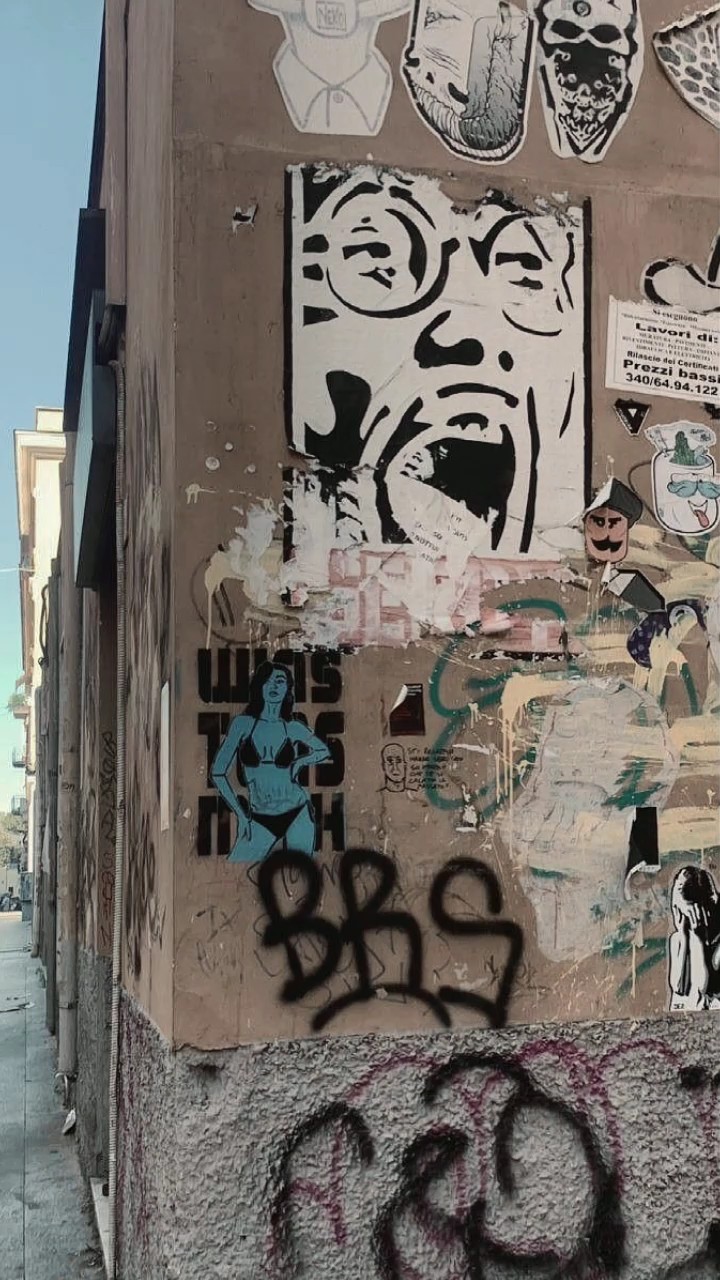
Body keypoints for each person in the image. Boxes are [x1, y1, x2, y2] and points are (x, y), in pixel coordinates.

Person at [211, 661, 331, 863]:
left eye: (280, 681)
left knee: (300, 874)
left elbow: (323, 750)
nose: (273, 685)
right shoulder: (243, 724)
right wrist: (241, 815)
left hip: (297, 812)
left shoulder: (292, 727)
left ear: (287, 689)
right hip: (260, 816)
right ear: (260, 686)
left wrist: (300, 762)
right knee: (234, 866)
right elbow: (218, 772)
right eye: (267, 681)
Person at [668, 866, 720, 1011]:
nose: (679, 917)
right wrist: (684, 935)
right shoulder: (677, 939)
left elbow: (701, 990)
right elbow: (678, 987)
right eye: (676, 909)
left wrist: (699, 940)